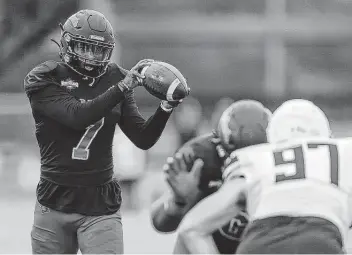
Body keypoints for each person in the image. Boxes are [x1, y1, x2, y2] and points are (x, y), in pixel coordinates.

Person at [24, 9, 182, 254]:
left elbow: (143, 138)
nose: (92, 56)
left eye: (99, 49)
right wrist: (122, 88)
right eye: (85, 48)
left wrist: (166, 106)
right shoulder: (45, 77)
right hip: (54, 201)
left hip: (100, 204)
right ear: (67, 45)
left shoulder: (114, 77)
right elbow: (77, 116)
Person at [177, 99, 350, 254]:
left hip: (257, 247)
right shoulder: (343, 152)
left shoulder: (255, 158)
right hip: (320, 244)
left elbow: (191, 228)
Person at [150, 100, 271, 254]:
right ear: (221, 145)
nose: (244, 165)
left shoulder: (279, 169)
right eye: (237, 158)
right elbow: (160, 223)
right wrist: (178, 201)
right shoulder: (202, 160)